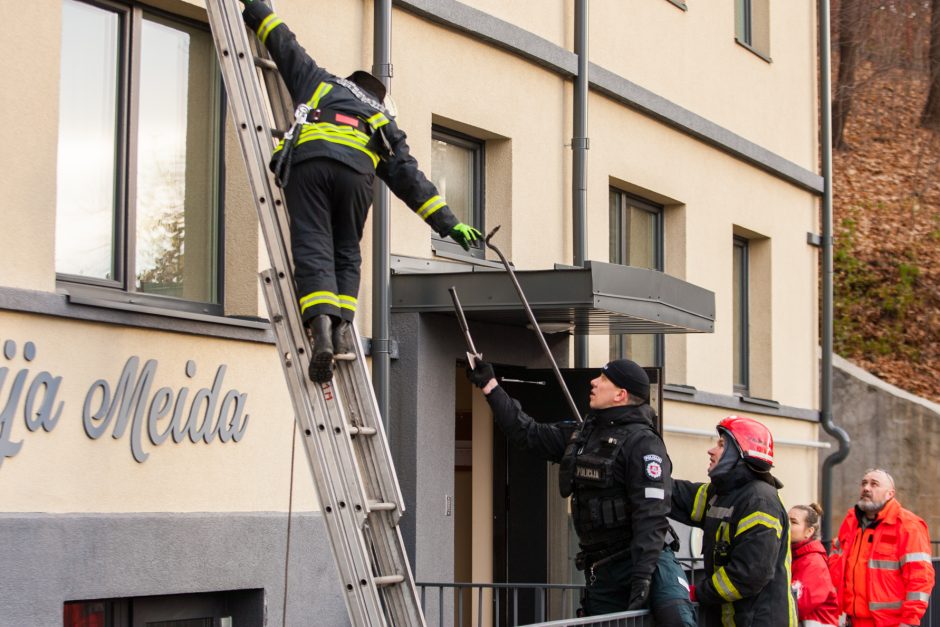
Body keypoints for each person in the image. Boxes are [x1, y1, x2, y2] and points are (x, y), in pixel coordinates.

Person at [239, 0, 481, 382]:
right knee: (347, 252)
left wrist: (254, 10)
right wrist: (449, 224)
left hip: (311, 165)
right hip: (356, 177)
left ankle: (319, 328)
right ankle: (341, 330)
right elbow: (409, 177)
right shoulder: (381, 119)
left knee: (312, 243)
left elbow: (284, 45)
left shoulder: (320, 82)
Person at [466, 358, 695, 624]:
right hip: (603, 569)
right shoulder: (583, 436)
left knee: (676, 621)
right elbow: (527, 433)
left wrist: (642, 576)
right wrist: (490, 386)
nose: (593, 382)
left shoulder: (643, 443)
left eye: (604, 379)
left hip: (646, 561)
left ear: (620, 395)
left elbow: (651, 515)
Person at [670, 415, 797, 627]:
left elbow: (749, 574)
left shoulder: (759, 500)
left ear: (738, 453)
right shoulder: (724, 494)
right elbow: (681, 497)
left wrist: (697, 592)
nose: (711, 451)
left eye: (721, 445)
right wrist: (646, 476)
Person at [828, 468, 935, 627]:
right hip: (850, 621)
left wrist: (909, 621)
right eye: (864, 483)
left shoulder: (908, 526)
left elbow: (920, 579)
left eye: (874, 484)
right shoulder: (851, 521)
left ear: (890, 494)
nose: (866, 488)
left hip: (890, 623)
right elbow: (835, 568)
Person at [789, 503, 840, 627]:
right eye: (786, 520)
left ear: (809, 531)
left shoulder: (813, 563)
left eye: (794, 522)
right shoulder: (796, 556)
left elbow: (796, 605)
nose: (787, 525)